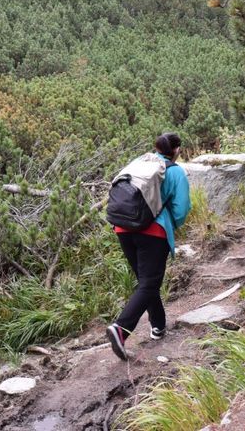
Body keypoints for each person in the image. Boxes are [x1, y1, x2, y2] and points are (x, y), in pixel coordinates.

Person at [106, 132, 191, 361]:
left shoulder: (138, 163)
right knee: (150, 282)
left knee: (146, 281)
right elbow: (182, 210)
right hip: (153, 232)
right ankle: (121, 329)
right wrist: (170, 223)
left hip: (123, 228)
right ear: (177, 150)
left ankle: (158, 326)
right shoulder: (174, 172)